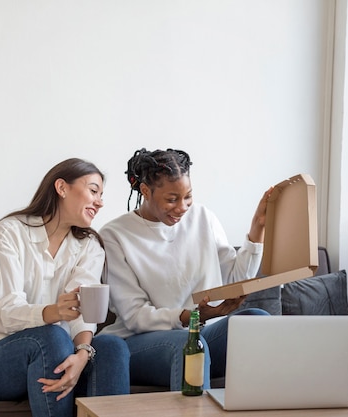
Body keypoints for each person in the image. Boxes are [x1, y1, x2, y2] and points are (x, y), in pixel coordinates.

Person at [0, 158, 130, 417]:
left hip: (55, 356)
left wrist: (84, 353)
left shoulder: (89, 246)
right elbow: (5, 312)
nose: (100, 202)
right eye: (93, 191)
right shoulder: (7, 233)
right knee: (50, 336)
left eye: (101, 195)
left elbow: (83, 315)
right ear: (62, 188)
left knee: (111, 347)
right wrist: (54, 312)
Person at [98, 148, 271, 390]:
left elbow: (235, 279)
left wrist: (258, 228)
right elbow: (136, 316)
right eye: (171, 199)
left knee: (257, 323)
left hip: (200, 335)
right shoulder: (115, 235)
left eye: (188, 197)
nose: (182, 207)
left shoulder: (202, 217)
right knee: (188, 345)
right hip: (141, 342)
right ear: (145, 191)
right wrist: (193, 317)